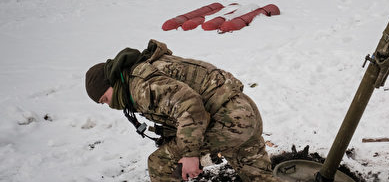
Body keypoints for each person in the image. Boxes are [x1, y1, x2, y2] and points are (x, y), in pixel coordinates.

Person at [85, 39, 281, 182]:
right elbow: (178, 109)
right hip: (245, 112)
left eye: (105, 99)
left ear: (111, 83)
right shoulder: (146, 68)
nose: (109, 105)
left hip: (229, 121)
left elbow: (190, 105)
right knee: (260, 178)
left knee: (159, 164)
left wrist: (190, 154)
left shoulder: (140, 87)